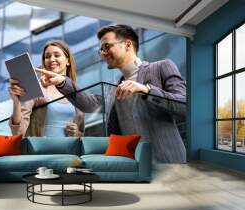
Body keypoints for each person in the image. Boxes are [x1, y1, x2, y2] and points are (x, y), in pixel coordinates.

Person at [37, 25, 187, 163]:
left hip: (167, 163)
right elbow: (88, 104)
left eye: (107, 47)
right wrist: (62, 82)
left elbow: (184, 105)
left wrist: (146, 89)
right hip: (130, 164)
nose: (103, 53)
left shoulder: (161, 67)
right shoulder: (113, 88)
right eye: (101, 49)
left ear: (128, 45)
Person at [8, 40, 84, 137]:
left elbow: (82, 133)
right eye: (47, 56)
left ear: (68, 61)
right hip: (42, 150)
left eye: (56, 55)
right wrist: (16, 102)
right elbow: (18, 132)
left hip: (70, 150)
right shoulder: (37, 87)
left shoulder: (76, 92)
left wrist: (76, 132)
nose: (51, 59)